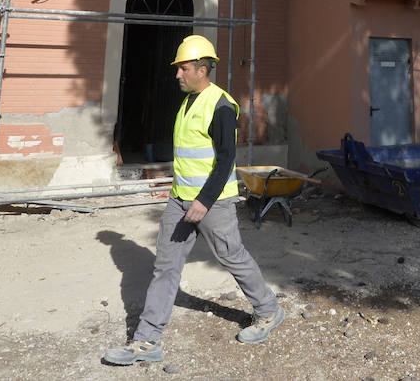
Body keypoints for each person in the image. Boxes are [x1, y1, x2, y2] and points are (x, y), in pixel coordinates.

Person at [103, 34, 284, 366]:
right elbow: (190, 157)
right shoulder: (187, 102)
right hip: (179, 200)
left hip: (213, 203)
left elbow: (227, 158)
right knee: (165, 266)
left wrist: (203, 200)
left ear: (202, 69)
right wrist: (178, 191)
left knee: (232, 257)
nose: (177, 75)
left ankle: (269, 311)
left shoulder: (221, 105)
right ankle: (146, 341)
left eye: (182, 68)